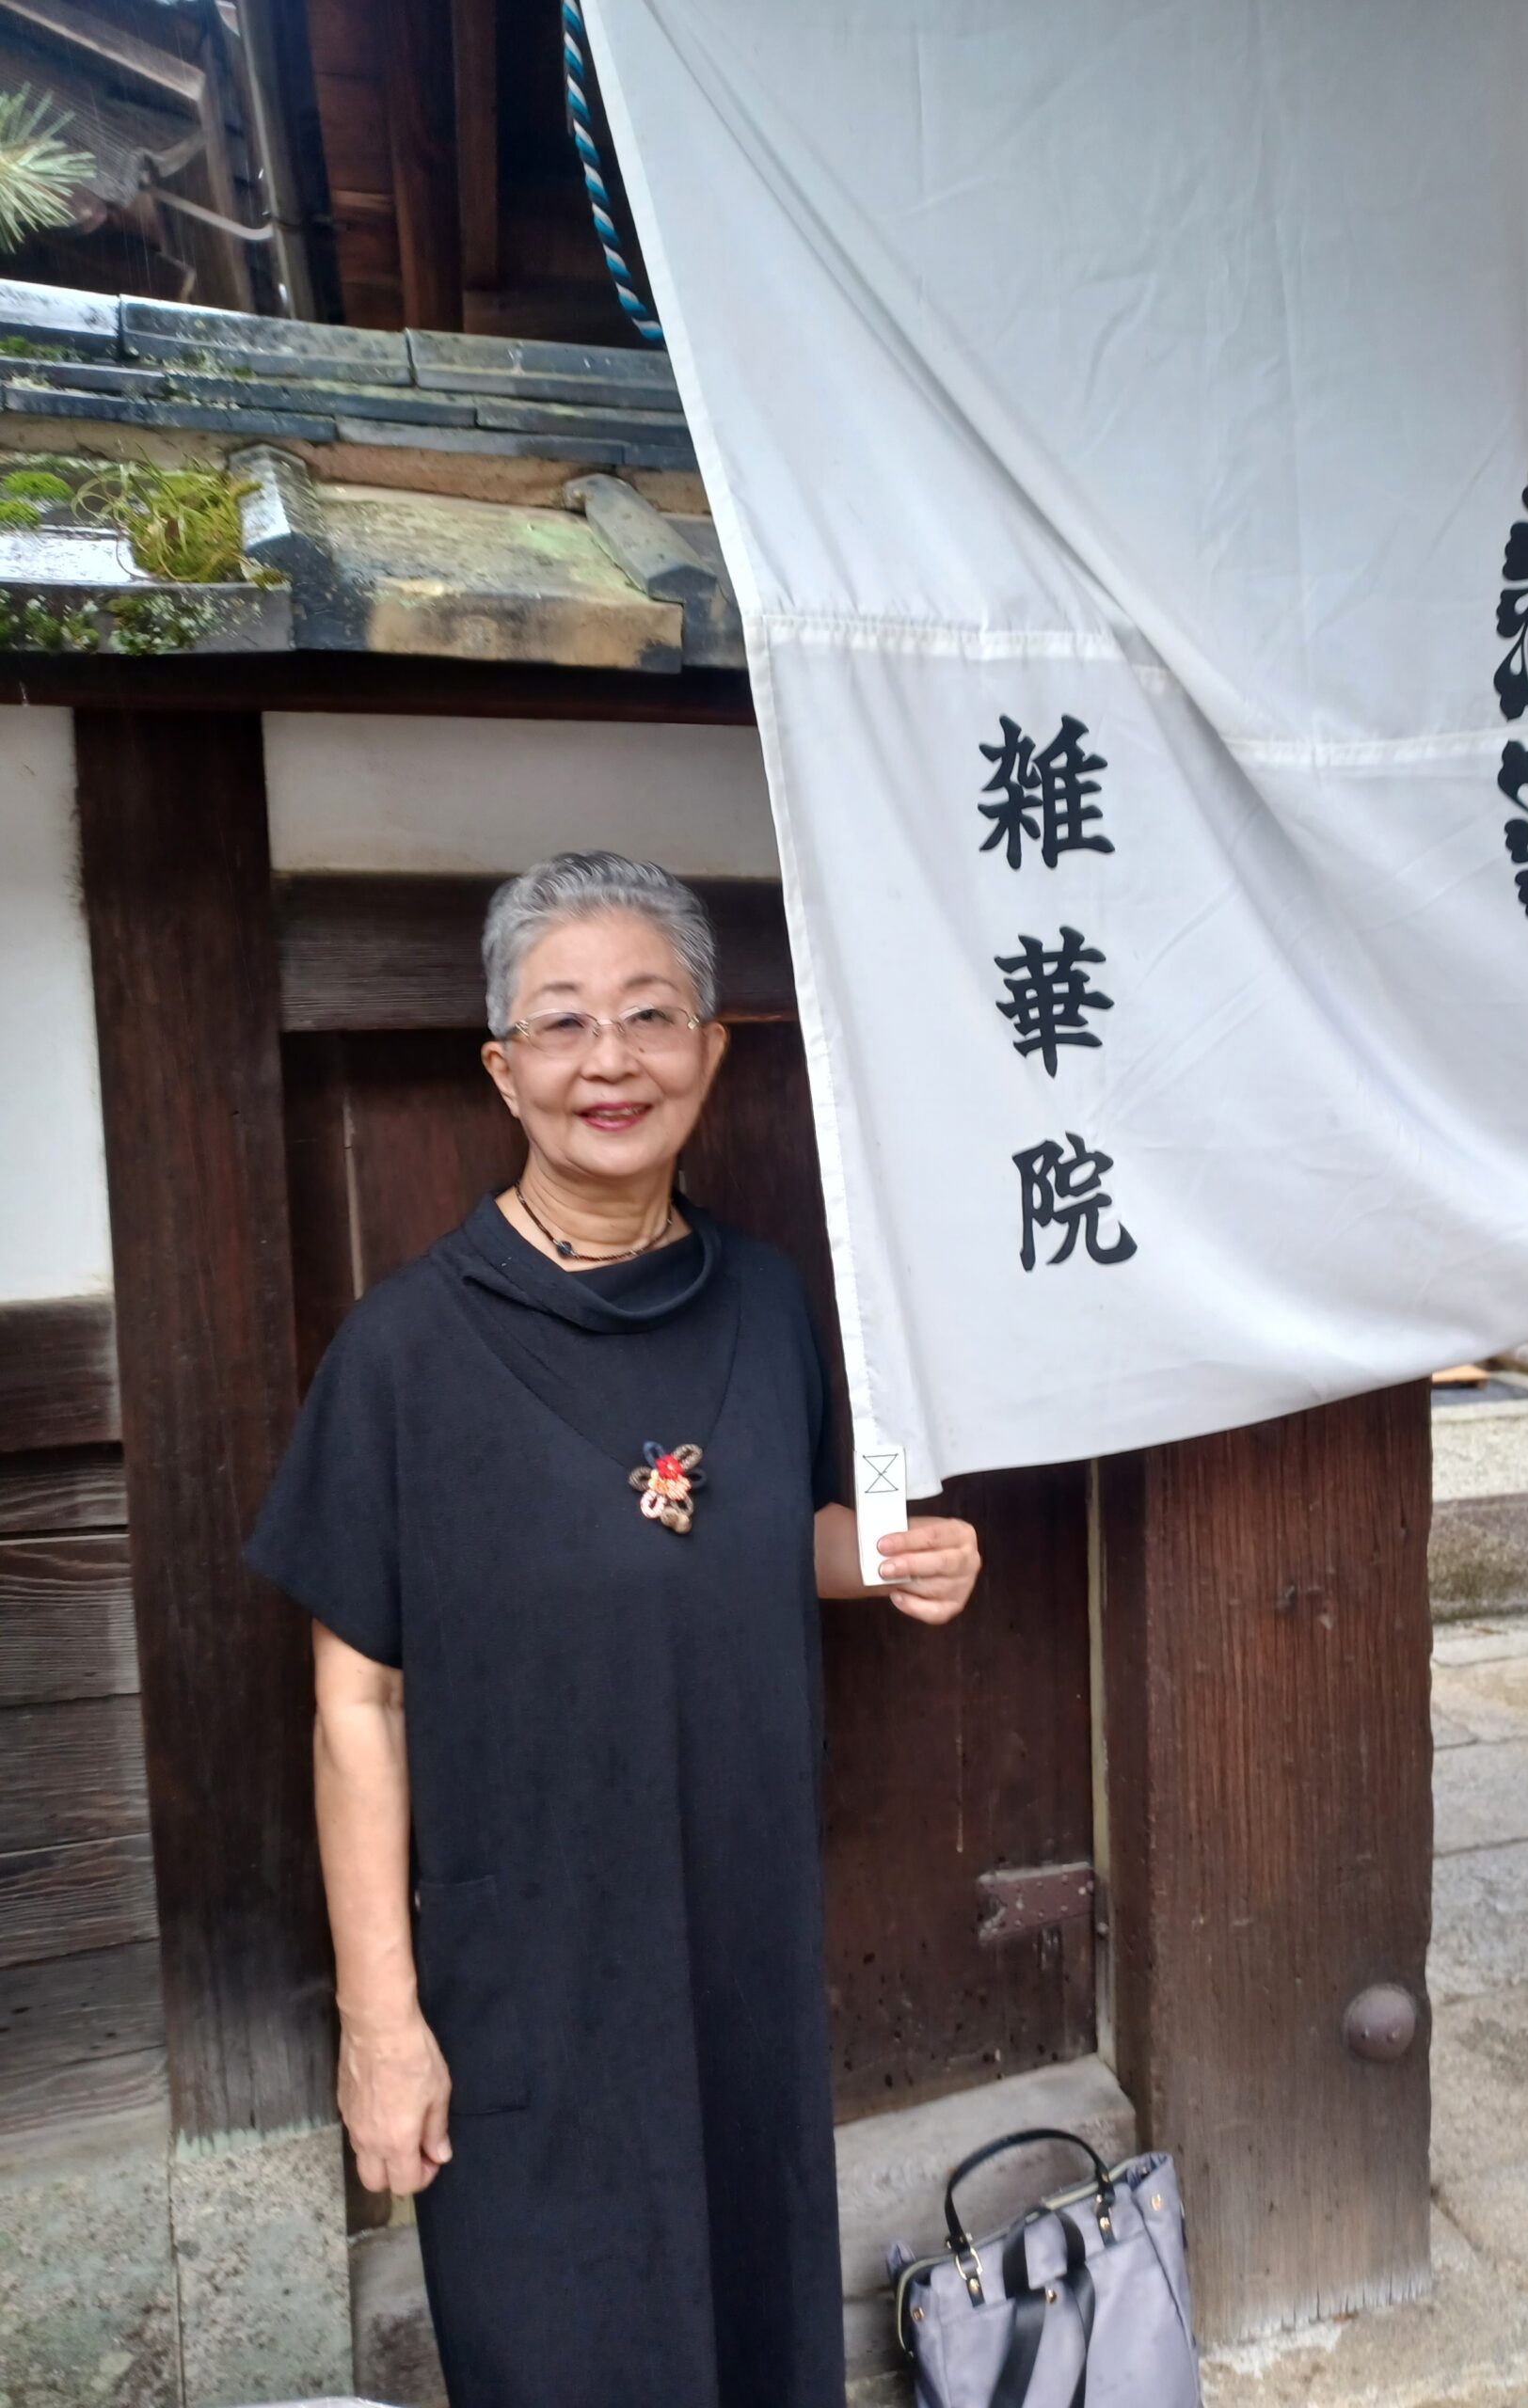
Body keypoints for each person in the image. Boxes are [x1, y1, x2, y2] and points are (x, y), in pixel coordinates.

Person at [246, 851, 981, 2408]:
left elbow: (734, 1530)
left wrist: (881, 1561)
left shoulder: (767, 1304)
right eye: (565, 1023)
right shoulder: (404, 1358)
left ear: (712, 1053)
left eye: (652, 1017)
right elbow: (354, 1707)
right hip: (530, 1982)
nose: (612, 1060)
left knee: (761, 2330)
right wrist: (384, 2024)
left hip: (737, 1949)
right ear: (504, 1070)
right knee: (561, 2348)